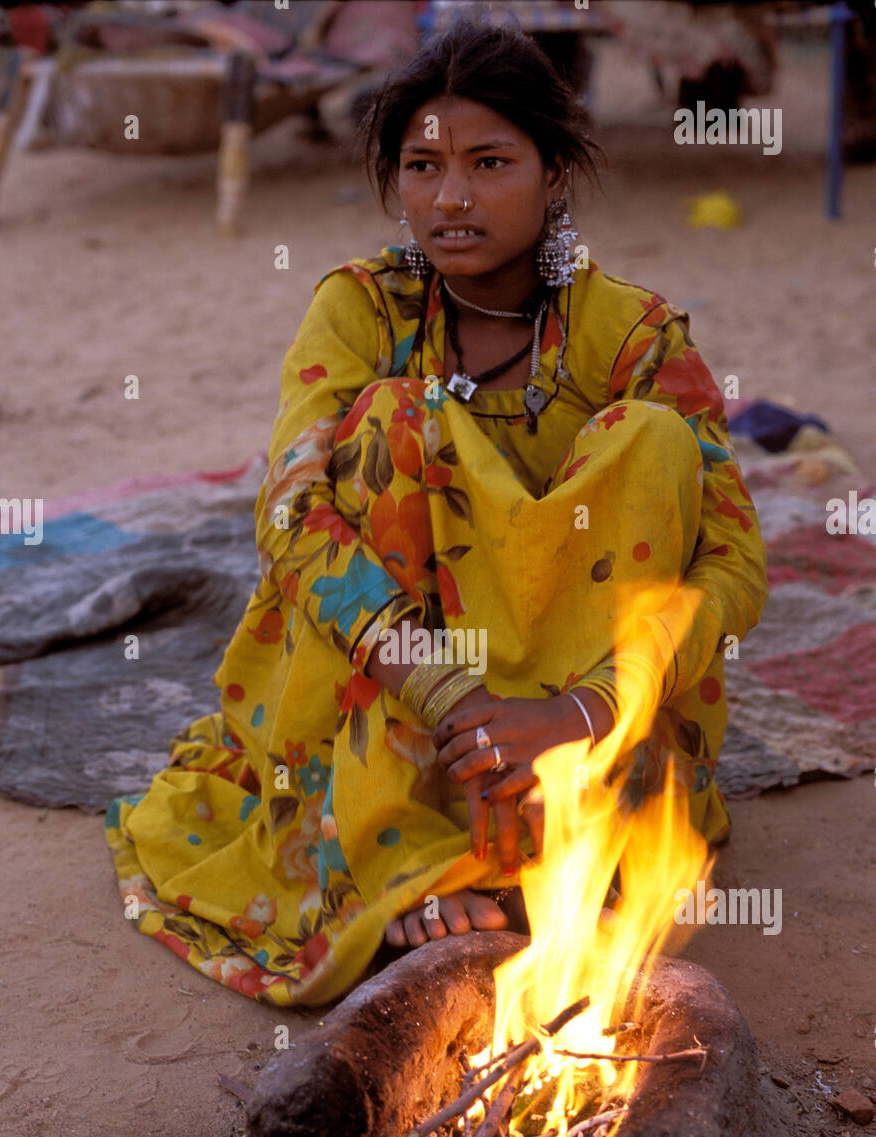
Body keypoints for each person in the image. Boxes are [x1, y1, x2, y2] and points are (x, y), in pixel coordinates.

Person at [105, 14, 767, 1007]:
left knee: (653, 441)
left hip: (576, 698)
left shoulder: (628, 332)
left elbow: (732, 566)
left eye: (490, 162)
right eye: (422, 166)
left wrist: (577, 709)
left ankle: (552, 821)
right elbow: (290, 516)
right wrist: (457, 700)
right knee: (392, 421)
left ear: (554, 176)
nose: (450, 197)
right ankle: (413, 848)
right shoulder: (361, 311)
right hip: (414, 683)